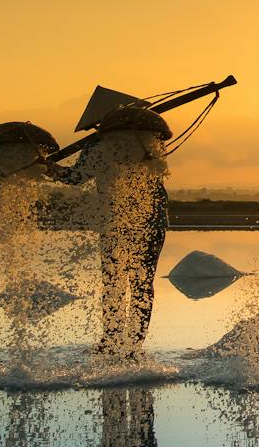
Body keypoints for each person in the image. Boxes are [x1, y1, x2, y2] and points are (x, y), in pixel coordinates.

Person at [51, 106, 173, 359]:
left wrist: (49, 169)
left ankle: (122, 342)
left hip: (136, 225)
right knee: (136, 284)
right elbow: (75, 177)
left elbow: (74, 177)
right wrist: (48, 168)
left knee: (120, 283)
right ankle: (121, 342)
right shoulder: (145, 143)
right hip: (127, 225)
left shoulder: (110, 146)